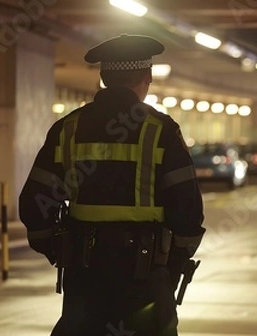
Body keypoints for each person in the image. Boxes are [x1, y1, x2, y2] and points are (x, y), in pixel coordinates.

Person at [18, 34, 205, 336]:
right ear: (148, 77)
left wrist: (58, 248)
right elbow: (188, 210)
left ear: (104, 77)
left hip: (85, 276)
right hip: (144, 278)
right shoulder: (162, 131)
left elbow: (34, 202)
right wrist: (172, 263)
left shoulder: (67, 128)